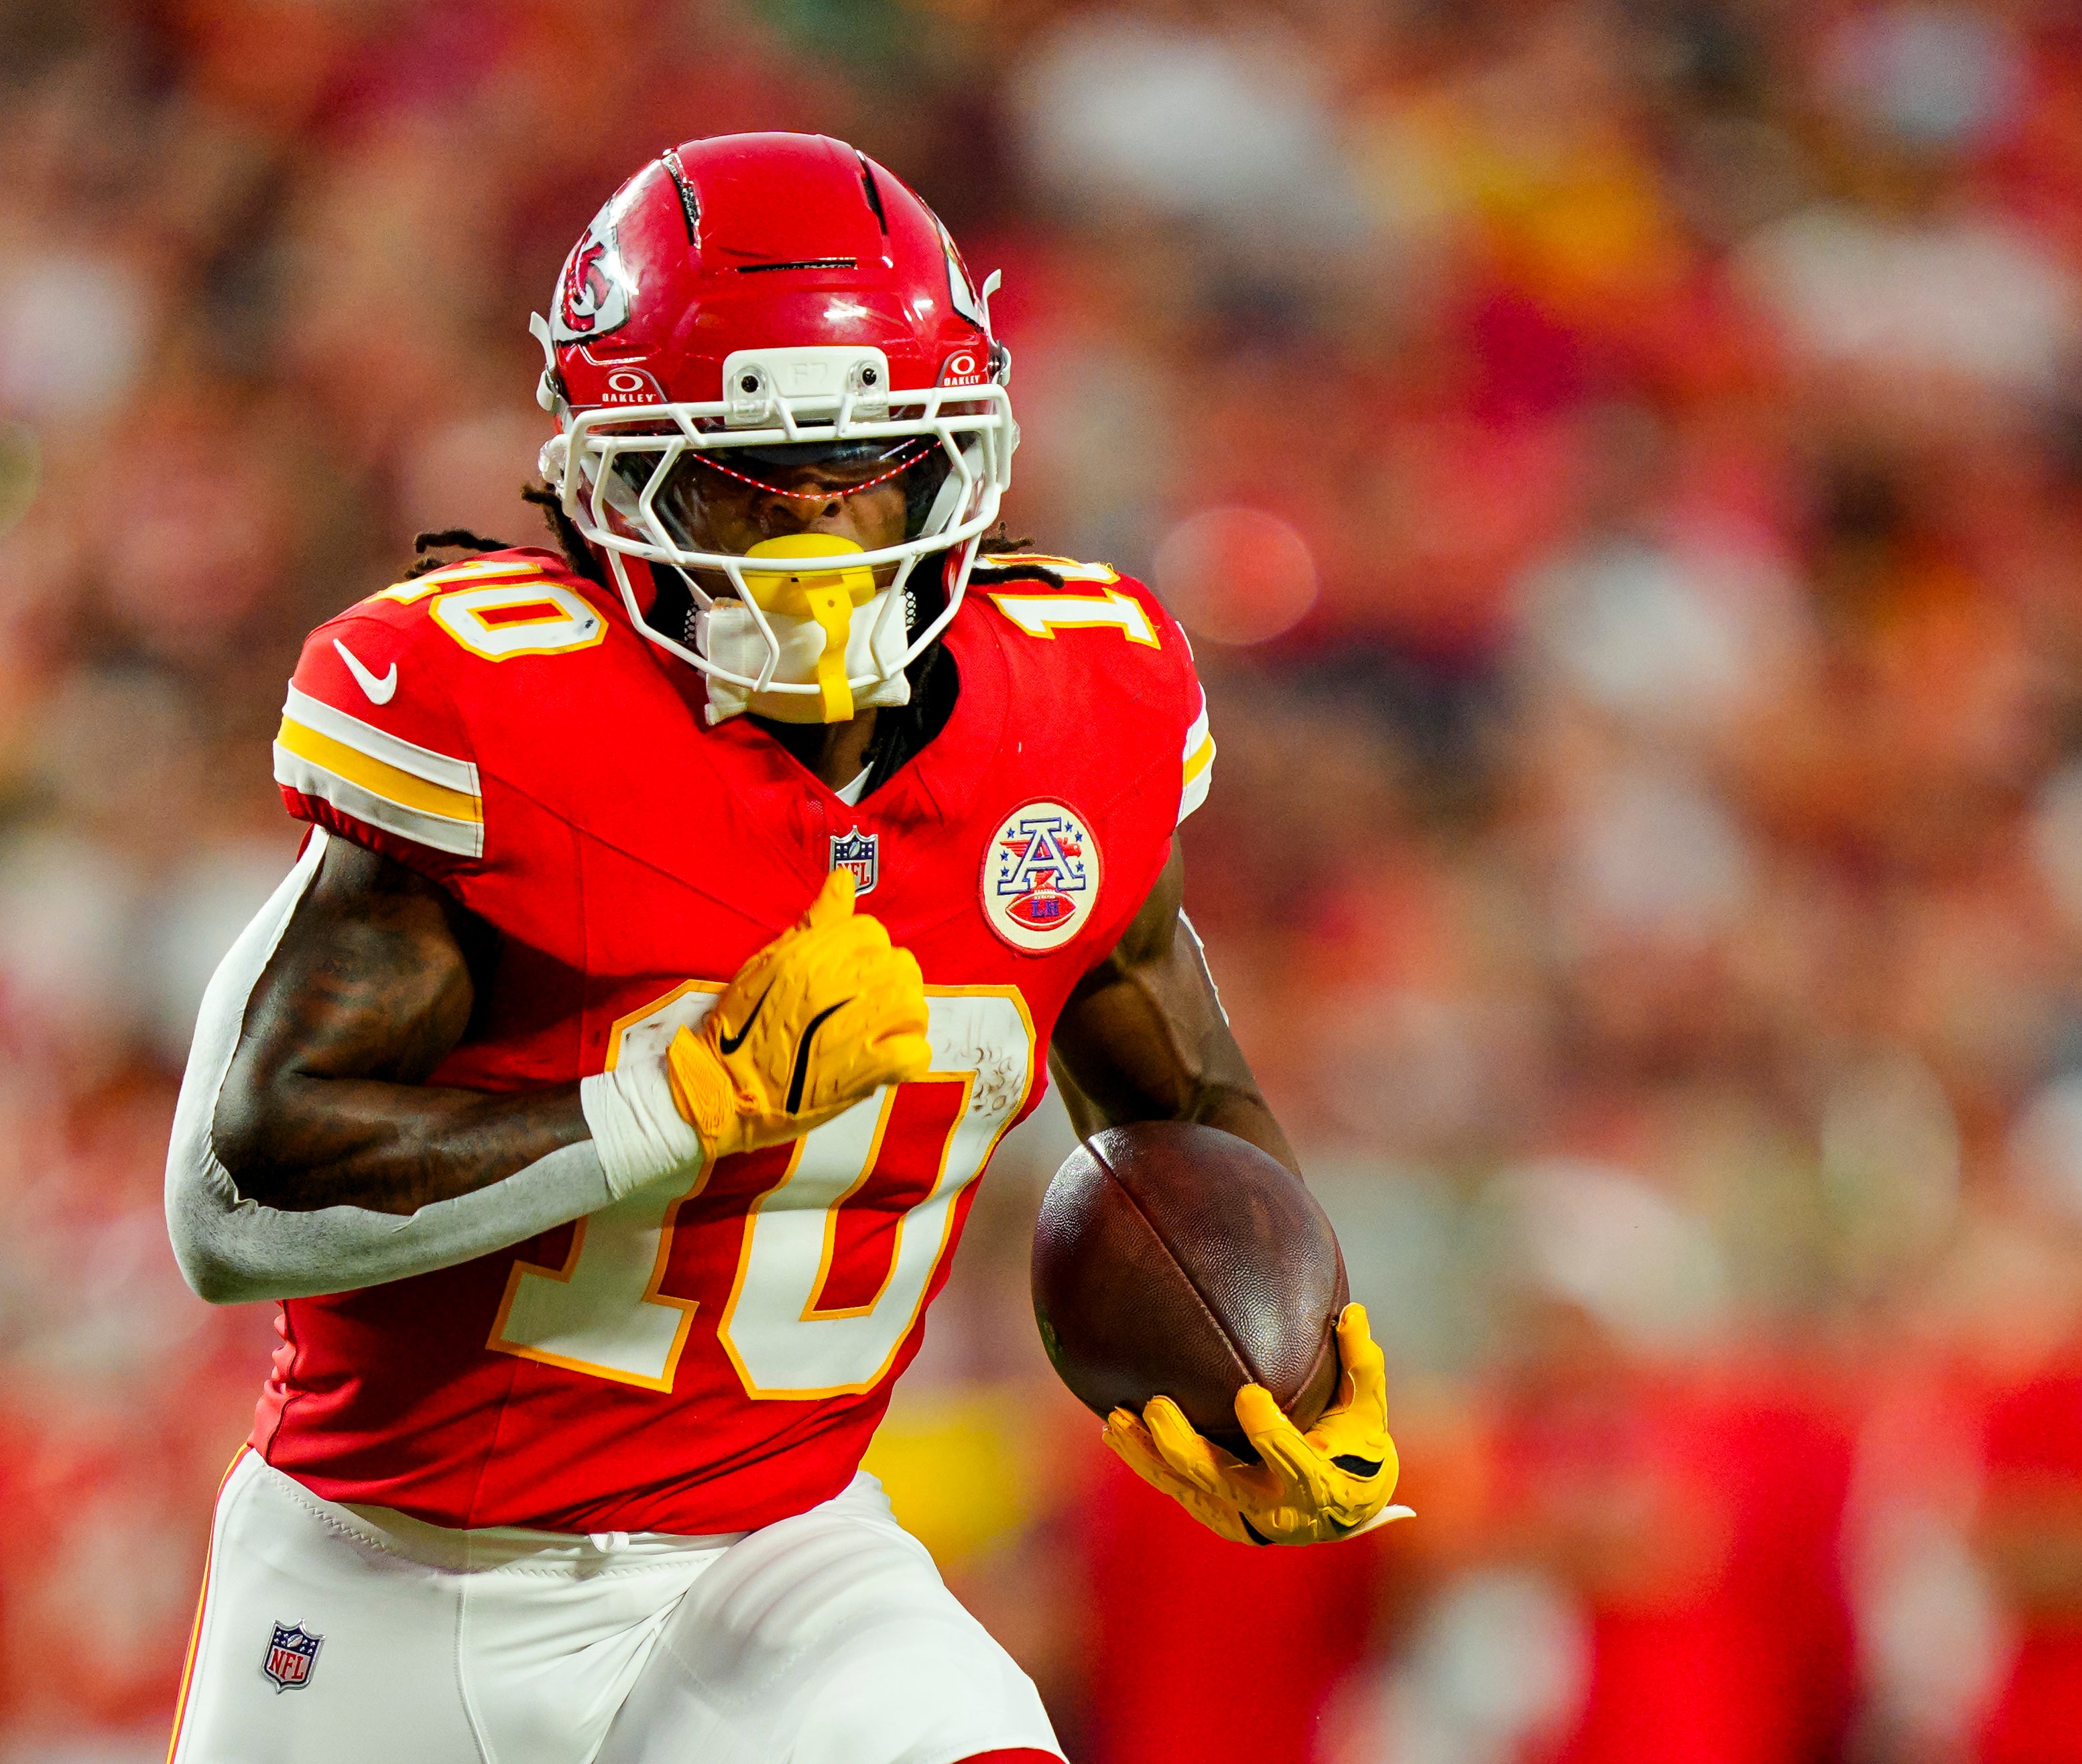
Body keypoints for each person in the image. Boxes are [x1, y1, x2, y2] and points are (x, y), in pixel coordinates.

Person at [160, 131, 1403, 1763]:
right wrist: (664, 1107)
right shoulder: (499, 711)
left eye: (872, 463)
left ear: (961, 454)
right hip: (384, 1563)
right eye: (746, 482)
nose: (821, 532)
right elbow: (232, 1202)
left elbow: (1186, 1095)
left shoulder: (1074, 716)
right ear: (607, 474)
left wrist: (1276, 1361)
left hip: (772, 1564)